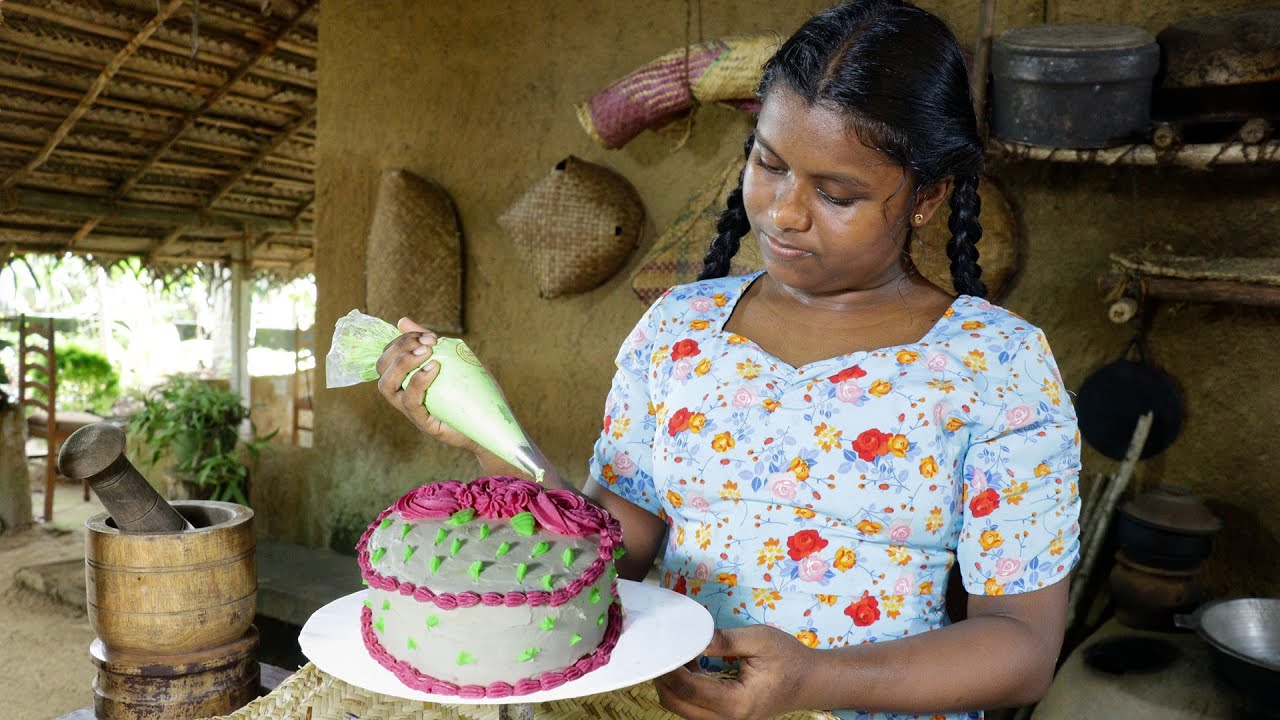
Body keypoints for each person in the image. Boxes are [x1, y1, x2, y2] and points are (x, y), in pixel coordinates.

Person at [375, 1, 1081, 717]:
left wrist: (816, 681)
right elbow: (609, 549)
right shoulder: (681, 329)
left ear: (927, 198)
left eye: (837, 194)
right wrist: (492, 436)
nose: (783, 212)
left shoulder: (997, 366)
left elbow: (1021, 646)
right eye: (768, 163)